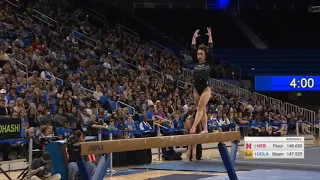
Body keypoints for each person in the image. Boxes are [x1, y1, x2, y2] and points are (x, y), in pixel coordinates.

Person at [189, 27, 213, 134]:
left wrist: (210, 36)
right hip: (196, 88)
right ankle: (205, 129)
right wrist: (194, 37)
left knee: (200, 107)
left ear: (205, 55)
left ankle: (194, 127)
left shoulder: (209, 62)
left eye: (201, 54)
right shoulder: (196, 61)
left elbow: (211, 48)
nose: (199, 56)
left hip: (205, 88)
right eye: (198, 54)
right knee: (202, 109)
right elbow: (192, 48)